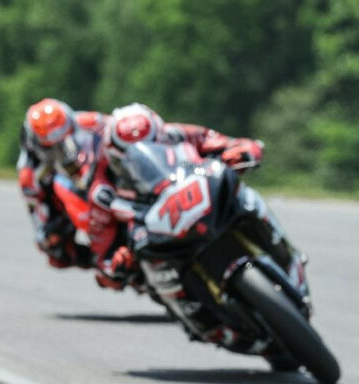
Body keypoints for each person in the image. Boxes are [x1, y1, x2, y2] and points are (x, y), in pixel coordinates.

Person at [84, 102, 265, 290]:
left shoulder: (178, 135)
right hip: (156, 237)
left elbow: (228, 143)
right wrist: (117, 262)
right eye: (128, 160)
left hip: (193, 190)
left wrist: (241, 151)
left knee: (244, 197)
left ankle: (281, 252)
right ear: (112, 155)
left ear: (161, 137)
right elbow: (101, 249)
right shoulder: (104, 189)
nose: (141, 165)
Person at [16, 98, 106, 269]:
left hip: (96, 171)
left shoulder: (87, 121)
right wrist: (46, 234)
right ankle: (100, 263)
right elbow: (35, 211)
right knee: (56, 253)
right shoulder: (29, 174)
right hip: (66, 204)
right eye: (54, 146)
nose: (63, 148)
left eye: (66, 139)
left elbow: (124, 126)